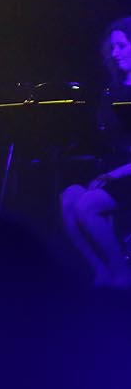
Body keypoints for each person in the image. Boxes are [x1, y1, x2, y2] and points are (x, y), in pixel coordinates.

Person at [61, 17, 131, 287]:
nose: (115, 53)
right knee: (69, 197)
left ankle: (121, 271)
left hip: (125, 173)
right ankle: (101, 271)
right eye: (112, 47)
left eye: (122, 46)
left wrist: (113, 175)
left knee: (87, 205)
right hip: (113, 171)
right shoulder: (112, 92)